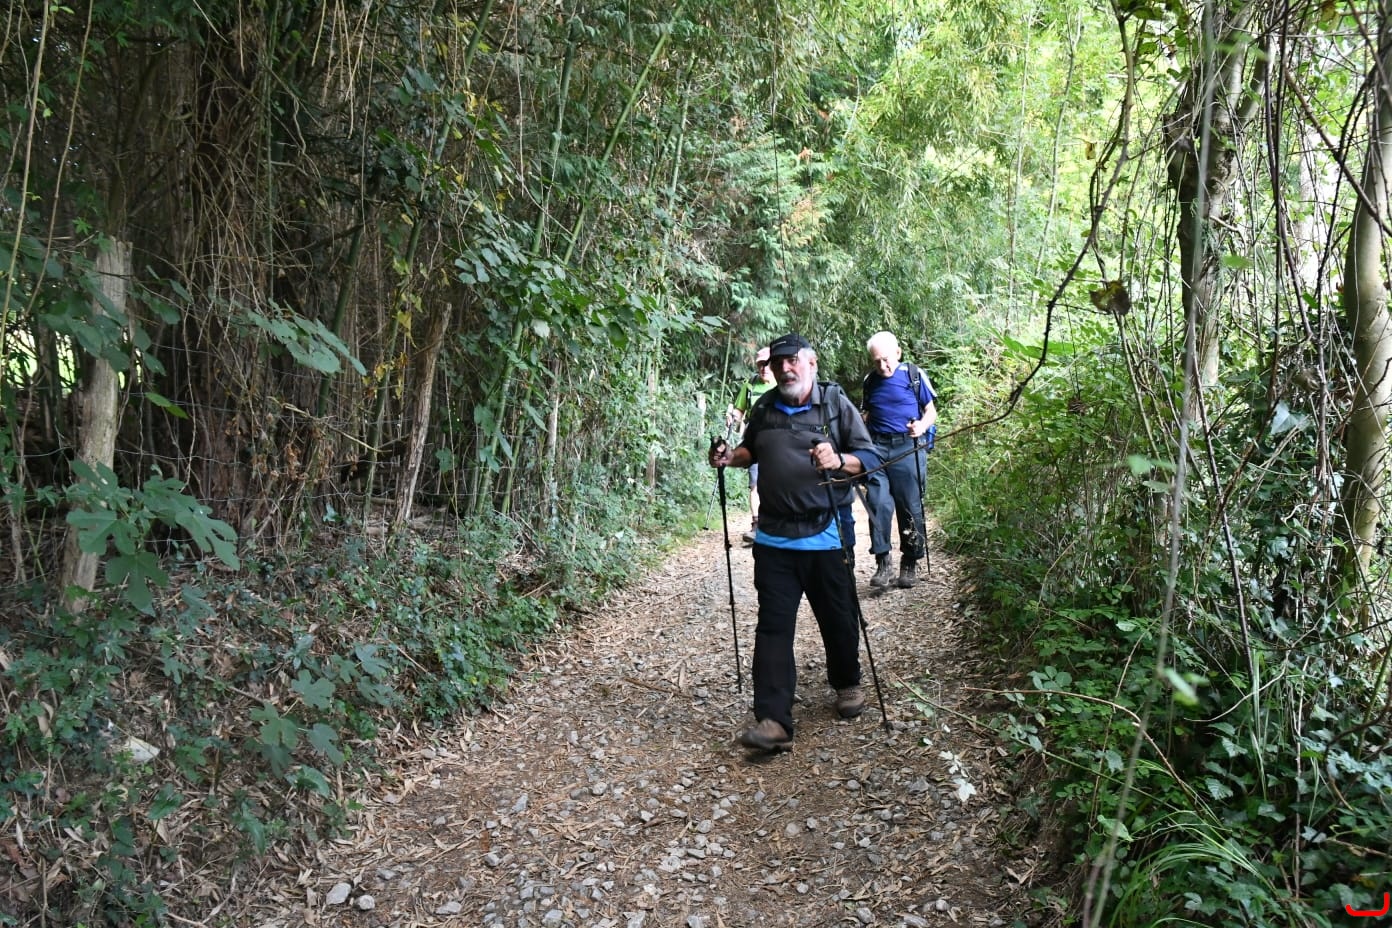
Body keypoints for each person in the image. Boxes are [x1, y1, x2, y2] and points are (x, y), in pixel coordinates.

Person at [708, 333, 881, 752]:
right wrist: (730, 458)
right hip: (774, 537)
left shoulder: (835, 404)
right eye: (778, 362)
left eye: (793, 361)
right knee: (773, 627)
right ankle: (773, 720)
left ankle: (847, 682)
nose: (785, 369)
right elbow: (751, 450)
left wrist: (839, 460)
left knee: (838, 616)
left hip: (826, 534)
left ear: (811, 363)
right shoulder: (765, 407)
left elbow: (870, 458)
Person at [861, 331, 937, 590]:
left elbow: (931, 411)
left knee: (910, 506)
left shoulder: (913, 374)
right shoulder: (870, 381)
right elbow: (867, 414)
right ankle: (883, 562)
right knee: (877, 503)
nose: (882, 366)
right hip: (877, 448)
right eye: (877, 361)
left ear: (898, 353)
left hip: (907, 446)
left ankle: (910, 562)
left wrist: (922, 426)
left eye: (886, 359)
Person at [727, 346, 777, 544]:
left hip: (777, 443)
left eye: (767, 364)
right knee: (755, 484)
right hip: (755, 442)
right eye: (760, 365)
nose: (764, 368)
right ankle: (756, 525)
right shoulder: (749, 385)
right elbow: (740, 410)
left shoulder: (781, 386)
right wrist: (733, 417)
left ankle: (773, 524)